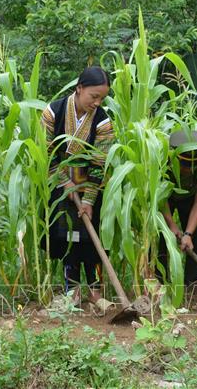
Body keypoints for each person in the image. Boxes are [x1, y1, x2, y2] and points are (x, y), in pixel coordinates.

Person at [41, 66, 114, 306]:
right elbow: (47, 154)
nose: (97, 102)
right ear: (79, 88)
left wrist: (89, 199)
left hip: (92, 186)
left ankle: (95, 291)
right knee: (69, 236)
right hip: (60, 183)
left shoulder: (103, 122)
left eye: (102, 98)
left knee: (93, 239)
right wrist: (66, 184)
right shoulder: (54, 112)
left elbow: (98, 164)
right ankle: (71, 289)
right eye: (94, 96)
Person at [158, 130, 197, 286]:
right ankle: (158, 282)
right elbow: (159, 198)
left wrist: (188, 233)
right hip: (164, 196)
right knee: (160, 235)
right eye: (184, 164)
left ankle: (196, 282)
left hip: (191, 196)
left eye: (194, 164)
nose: (189, 169)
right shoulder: (161, 159)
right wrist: (171, 225)